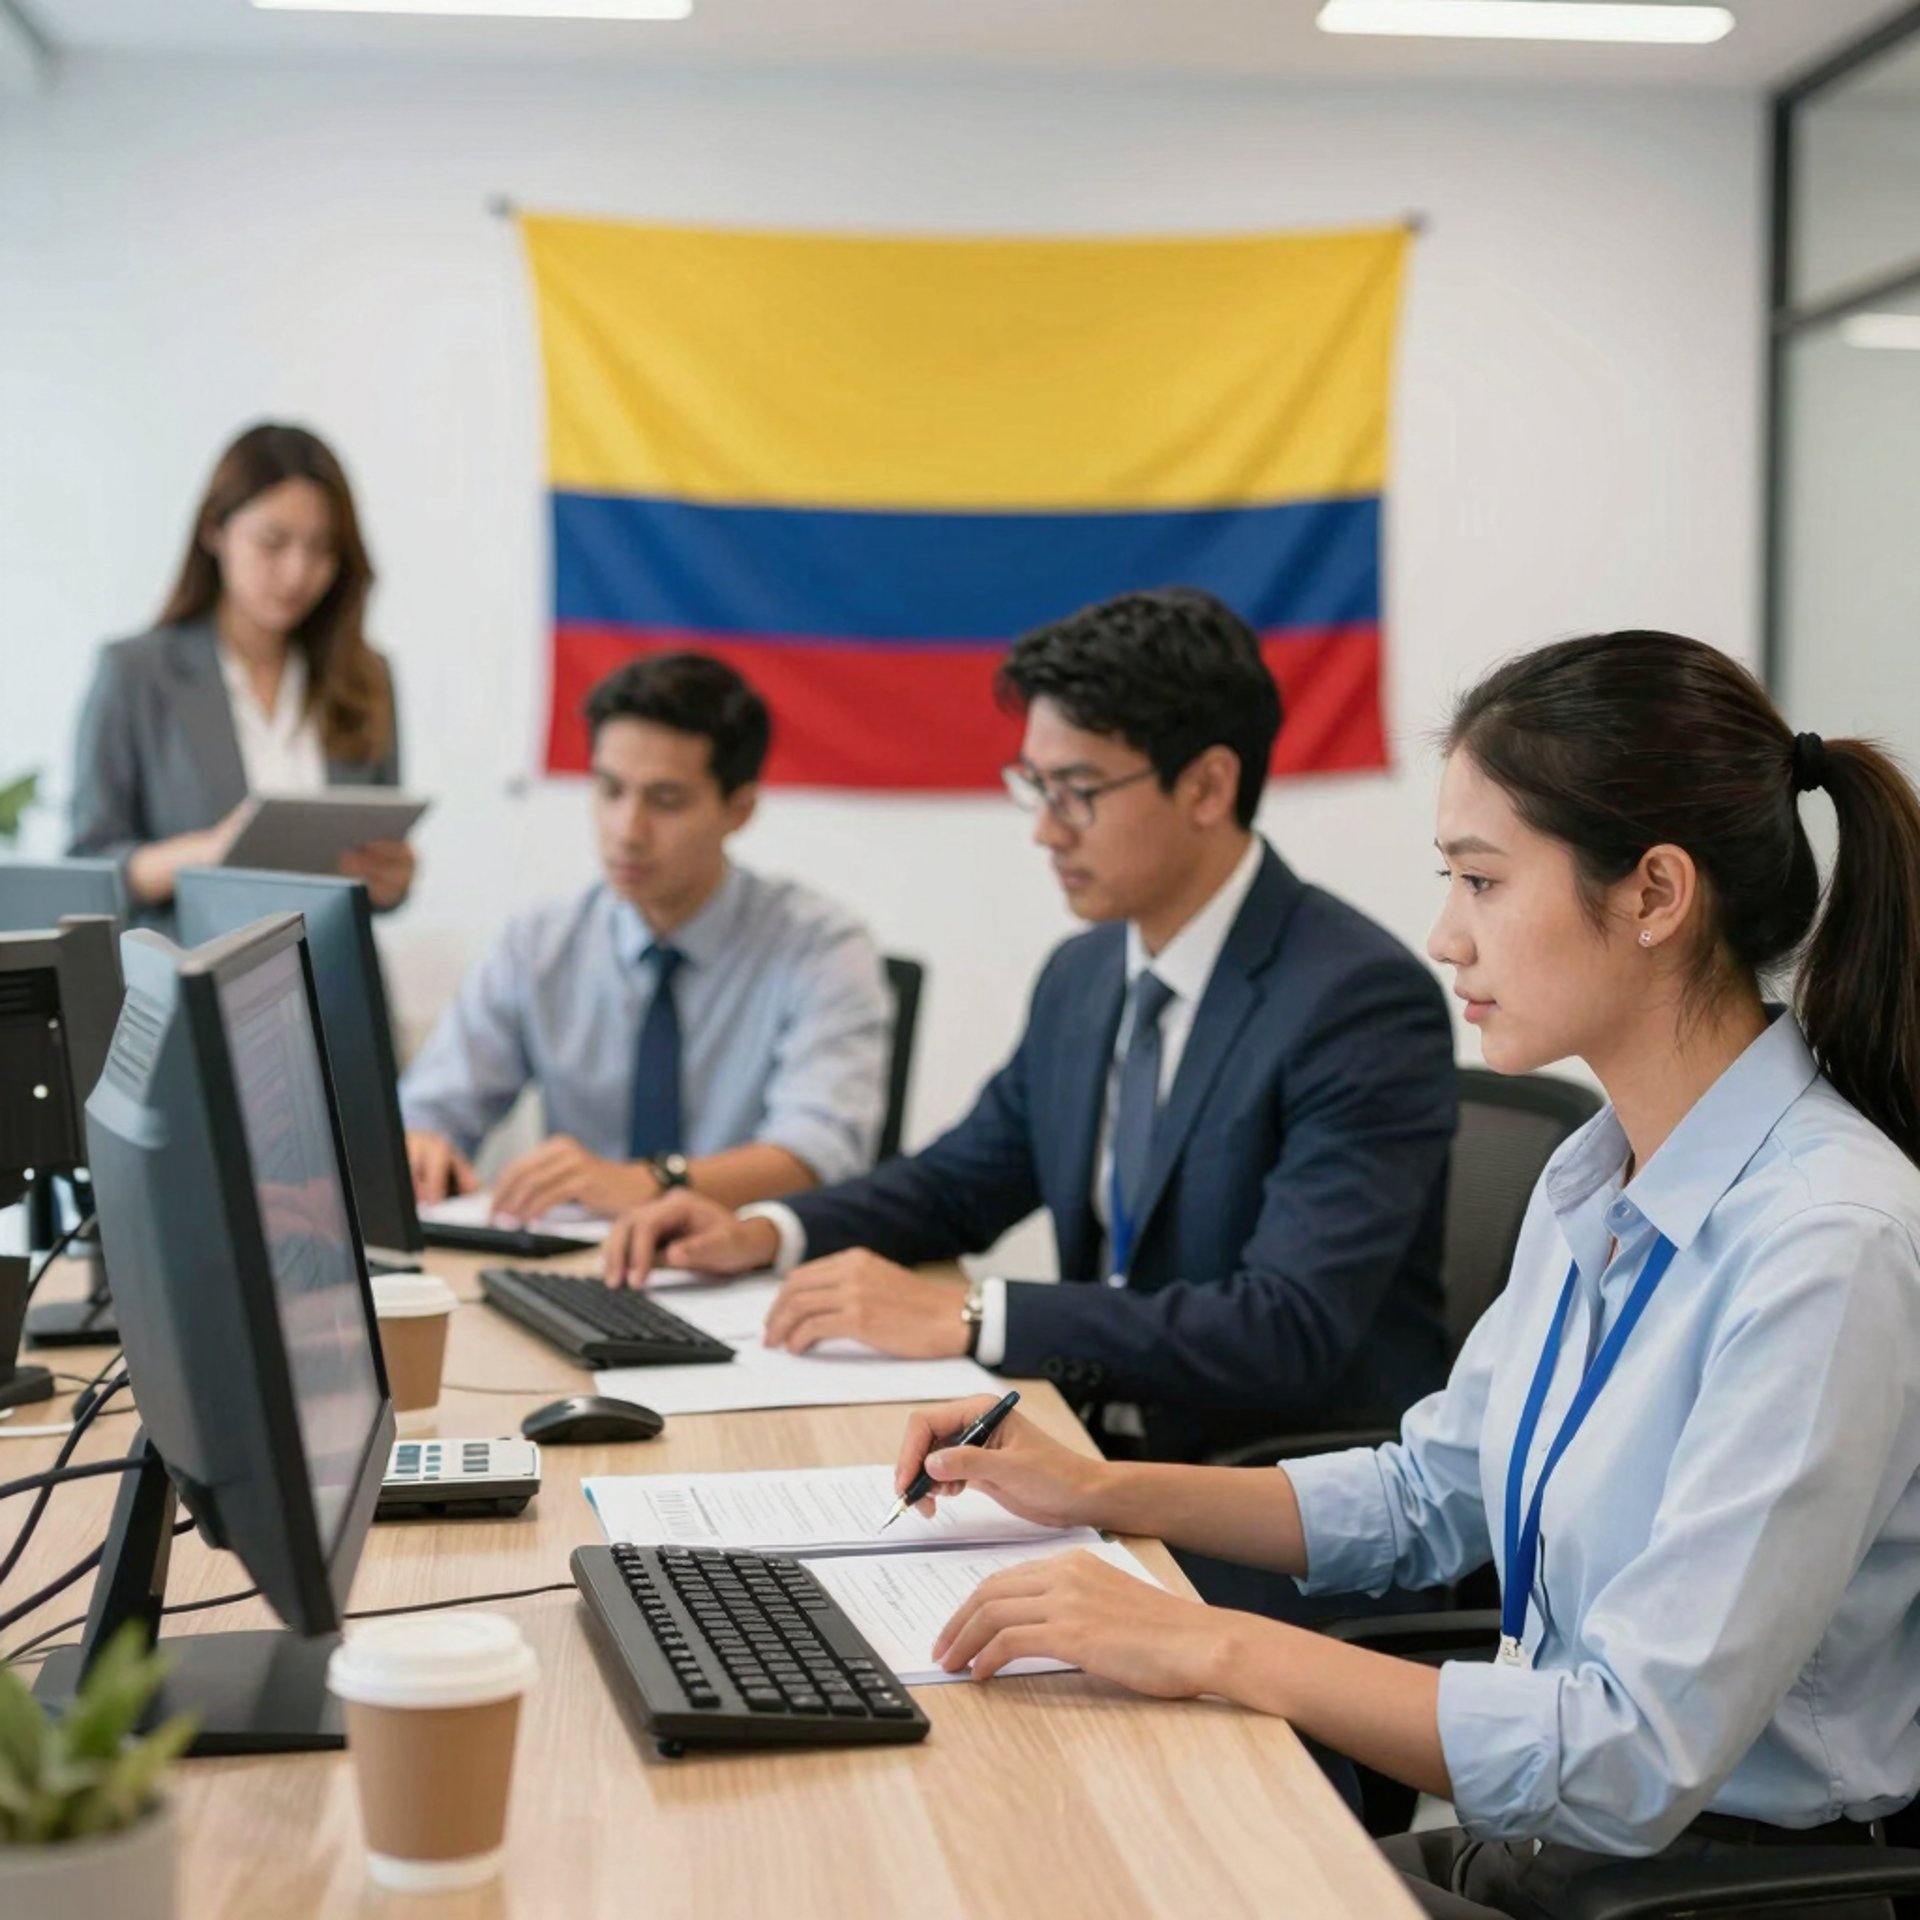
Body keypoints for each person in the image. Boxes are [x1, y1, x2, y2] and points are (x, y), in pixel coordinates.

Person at [883, 630, 1920, 1920]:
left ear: (1656, 896)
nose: (1445, 937)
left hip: (1713, 1893)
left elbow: (1630, 1752)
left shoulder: (1829, 1245)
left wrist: (1205, 1642)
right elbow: (1432, 1493)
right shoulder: (1600, 1175)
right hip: (1540, 1860)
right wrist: (1093, 1486)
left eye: (1482, 882)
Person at [604, 589, 1457, 1480]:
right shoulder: (1084, 973)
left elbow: (1285, 1327)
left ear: (1207, 785)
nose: (1045, 831)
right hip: (1086, 1447)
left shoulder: (1356, 998)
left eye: (1078, 792)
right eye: (1035, 788)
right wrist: (767, 1229)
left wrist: (978, 1315)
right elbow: (960, 1183)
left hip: (1270, 1494)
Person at [400, 650, 891, 1221]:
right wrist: (422, 1144)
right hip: (570, 1265)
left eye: (666, 801)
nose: (627, 831)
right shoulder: (541, 941)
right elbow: (428, 1111)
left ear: (740, 809)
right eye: (610, 791)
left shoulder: (822, 949)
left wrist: (654, 1183)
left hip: (744, 1268)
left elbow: (820, 1152)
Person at [69, 422, 413, 914]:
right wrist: (204, 854)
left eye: (321, 548)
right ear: (215, 530)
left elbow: (379, 879)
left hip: (336, 979)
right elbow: (86, 872)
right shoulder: (136, 673)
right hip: (192, 975)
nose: (298, 572)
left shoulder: (365, 675)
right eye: (273, 543)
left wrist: (392, 879)